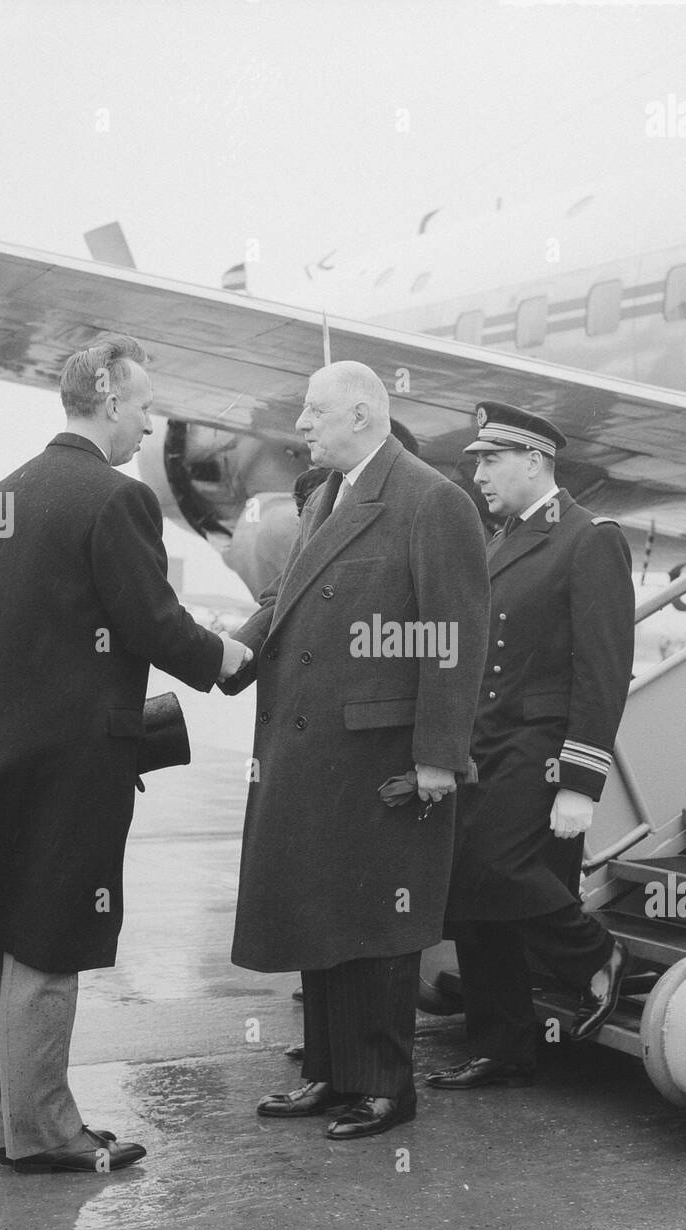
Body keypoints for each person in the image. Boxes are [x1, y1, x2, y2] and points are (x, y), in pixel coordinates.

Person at [0, 334, 251, 1174]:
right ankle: (49, 1135)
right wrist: (223, 659)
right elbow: (149, 619)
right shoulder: (116, 500)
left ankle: (19, 1124)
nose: (148, 427)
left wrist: (30, 685)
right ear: (110, 402)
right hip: (71, 767)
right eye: (144, 408)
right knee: (53, 936)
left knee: (1, 936)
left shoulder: (1, 494)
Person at [221, 361, 489, 1140]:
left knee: (377, 921)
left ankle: (382, 1087)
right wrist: (234, 654)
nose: (301, 426)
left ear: (364, 415)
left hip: (381, 755)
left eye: (315, 412)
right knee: (321, 914)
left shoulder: (431, 500)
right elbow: (286, 598)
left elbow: (453, 634)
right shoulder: (330, 497)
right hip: (312, 748)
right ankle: (329, 1073)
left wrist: (440, 755)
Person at [426, 403, 635, 1092]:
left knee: (494, 866)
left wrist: (581, 780)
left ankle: (596, 953)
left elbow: (602, 672)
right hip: (487, 743)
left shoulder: (588, 538)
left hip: (542, 745)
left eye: (491, 460)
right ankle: (504, 1044)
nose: (478, 474)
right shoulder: (498, 540)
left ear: (536, 461)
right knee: (471, 888)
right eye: (477, 461)